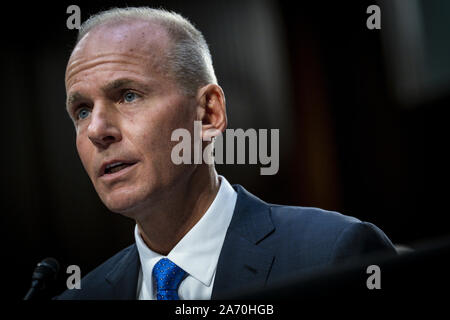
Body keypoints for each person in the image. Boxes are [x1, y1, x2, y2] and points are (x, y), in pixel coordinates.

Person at [56, 7, 396, 300]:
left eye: (128, 95)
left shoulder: (333, 255)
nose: (96, 131)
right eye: (83, 110)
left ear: (208, 113)